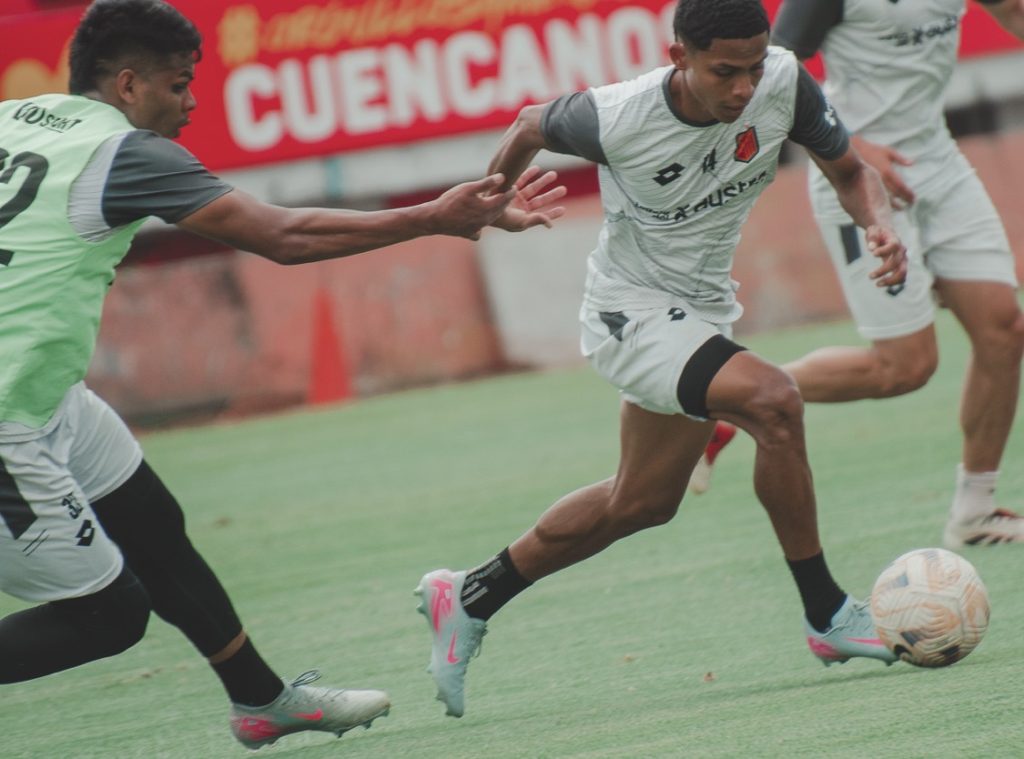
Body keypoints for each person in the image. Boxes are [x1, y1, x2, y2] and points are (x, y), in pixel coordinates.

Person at [0, 0, 565, 750]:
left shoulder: (16, 116)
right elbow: (283, 236)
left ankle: (263, 701)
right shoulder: (124, 153)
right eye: (179, 84)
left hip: (45, 393)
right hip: (9, 415)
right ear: (129, 85)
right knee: (106, 615)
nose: (192, 101)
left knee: (153, 526)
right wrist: (432, 216)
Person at [414, 0, 910, 720]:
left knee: (641, 501)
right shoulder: (616, 115)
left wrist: (880, 229)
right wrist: (494, 201)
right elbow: (528, 121)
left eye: (753, 66)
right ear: (678, 56)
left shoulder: (782, 81)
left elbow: (850, 171)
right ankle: (826, 612)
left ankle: (468, 594)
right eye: (724, 72)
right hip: (630, 313)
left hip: (702, 309)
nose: (744, 88)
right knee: (773, 400)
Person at [693, 0, 1024, 549]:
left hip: (938, 164)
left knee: (1005, 329)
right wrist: (852, 147)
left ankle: (975, 509)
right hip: (855, 175)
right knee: (905, 367)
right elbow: (775, 70)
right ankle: (731, 401)